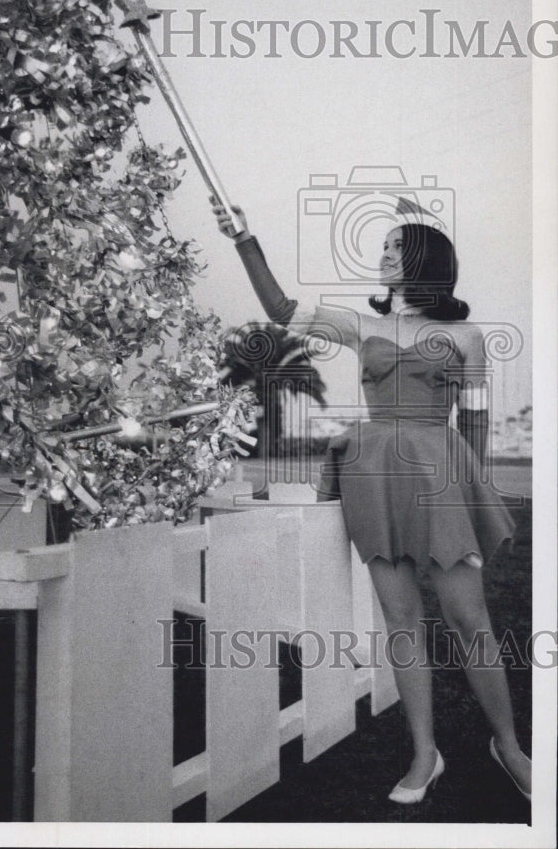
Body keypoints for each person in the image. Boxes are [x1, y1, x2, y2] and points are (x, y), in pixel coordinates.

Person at [214, 202, 531, 805]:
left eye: (395, 247)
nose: (383, 256)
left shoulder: (468, 336)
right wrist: (243, 238)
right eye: (383, 246)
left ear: (425, 260)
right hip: (374, 473)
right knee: (401, 619)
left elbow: (477, 423)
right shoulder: (362, 327)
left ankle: (510, 747)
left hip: (440, 477)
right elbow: (281, 310)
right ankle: (424, 754)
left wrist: (476, 498)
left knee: (470, 619)